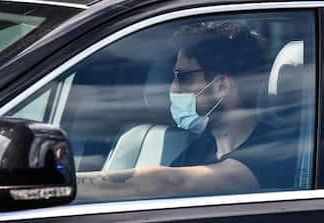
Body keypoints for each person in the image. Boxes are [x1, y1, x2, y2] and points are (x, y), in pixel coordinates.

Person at [76, 21, 295, 200]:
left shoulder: (274, 150)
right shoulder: (199, 149)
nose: (172, 88)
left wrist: (62, 187)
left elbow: (173, 183)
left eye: (182, 77)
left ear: (221, 86)